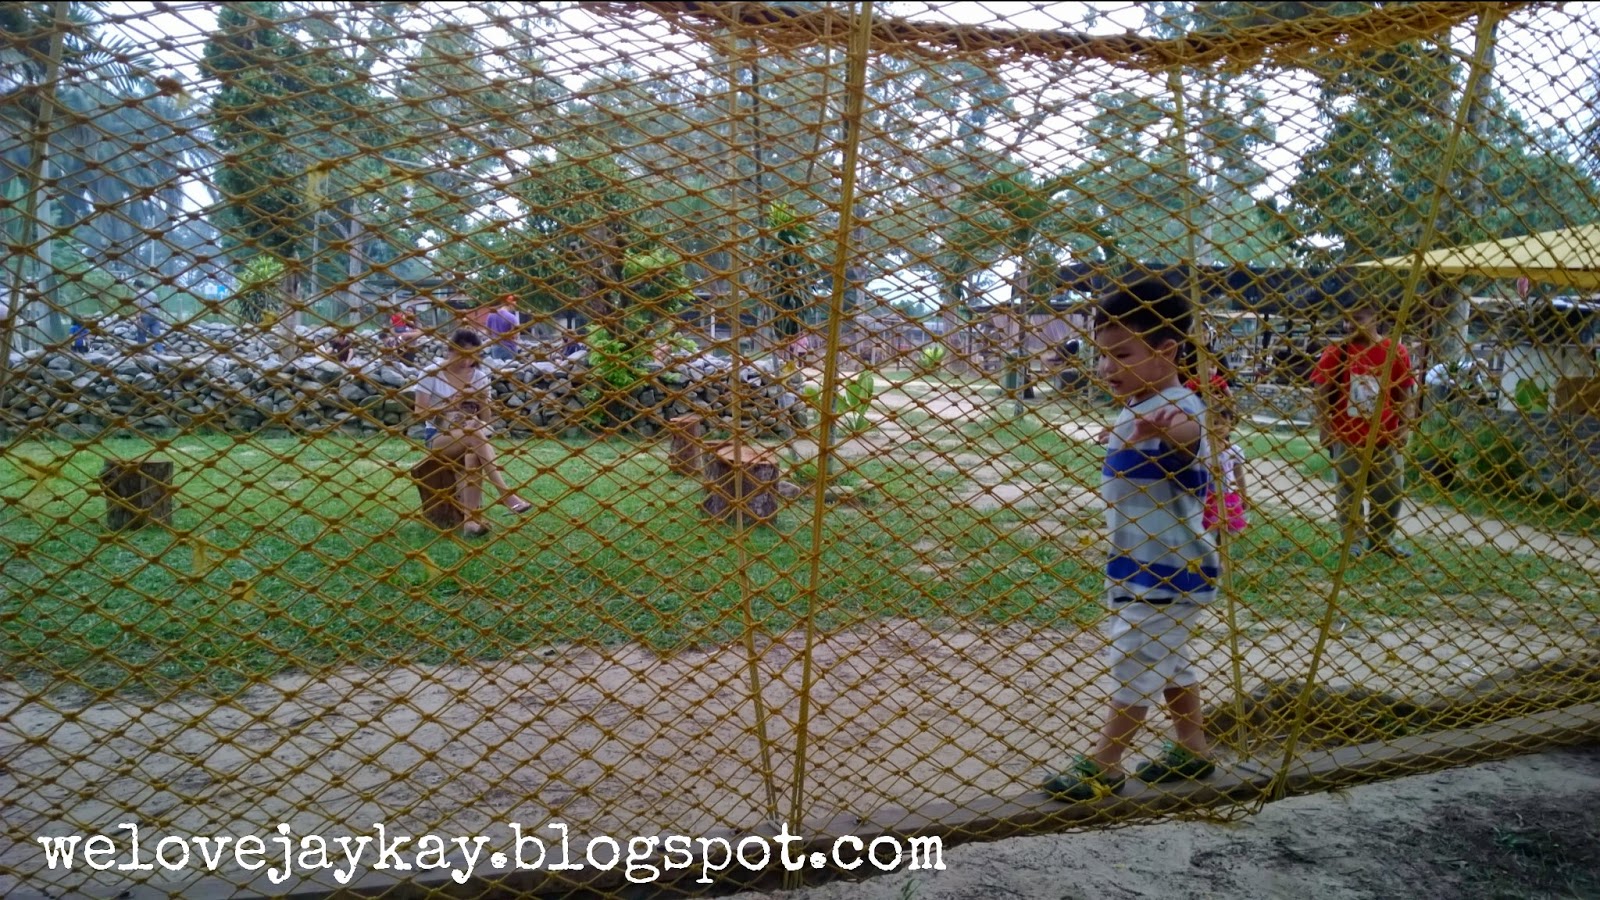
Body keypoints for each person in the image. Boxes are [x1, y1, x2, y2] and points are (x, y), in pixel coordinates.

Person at [1044, 280, 1220, 802]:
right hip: (1141, 564)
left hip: (1170, 568)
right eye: (1101, 356)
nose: (1106, 368)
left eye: (1121, 354)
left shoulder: (1179, 406)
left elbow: (1189, 436)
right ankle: (1193, 749)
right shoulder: (1141, 403)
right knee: (1168, 659)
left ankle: (1107, 762)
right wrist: (1127, 432)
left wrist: (1166, 433)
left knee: (1135, 658)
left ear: (1166, 351)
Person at [1311, 302, 1418, 559]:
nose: (1349, 325)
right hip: (1347, 437)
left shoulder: (1395, 351)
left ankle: (1383, 539)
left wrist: (1404, 427)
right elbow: (1321, 392)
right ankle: (1354, 543)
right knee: (1349, 494)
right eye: (1346, 320)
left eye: (1356, 318)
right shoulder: (1337, 352)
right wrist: (1325, 428)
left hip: (1385, 436)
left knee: (1390, 491)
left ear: (1375, 318)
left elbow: (1405, 393)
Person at [413, 329, 532, 536]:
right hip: (438, 437)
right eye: (463, 355)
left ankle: (470, 523)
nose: (467, 361)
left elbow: (486, 420)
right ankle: (505, 494)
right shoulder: (430, 373)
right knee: (472, 433)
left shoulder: (479, 376)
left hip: (471, 435)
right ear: (450, 351)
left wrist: (481, 399)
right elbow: (419, 413)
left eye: (472, 356)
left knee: (472, 452)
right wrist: (451, 404)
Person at [1204, 404, 1249, 535]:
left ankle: (1222, 554)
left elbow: (1239, 474)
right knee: (1207, 533)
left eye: (1223, 423)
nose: (1218, 427)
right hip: (1206, 497)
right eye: (1214, 423)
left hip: (1228, 496)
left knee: (1226, 532)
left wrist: (1244, 495)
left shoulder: (1234, 450)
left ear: (1231, 424)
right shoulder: (1202, 448)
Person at [132, 281, 165, 352]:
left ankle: (141, 351)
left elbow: (138, 307)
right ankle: (160, 351)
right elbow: (157, 306)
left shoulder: (138, 293)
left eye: (134, 287)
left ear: (136, 286)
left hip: (145, 316)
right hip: (155, 316)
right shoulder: (153, 294)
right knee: (156, 335)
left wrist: (138, 318)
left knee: (141, 333)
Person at [485, 296, 520, 361]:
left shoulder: (491, 315)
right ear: (511, 304)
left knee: (498, 369)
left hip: (496, 349)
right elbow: (515, 336)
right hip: (510, 349)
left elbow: (487, 333)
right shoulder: (512, 317)